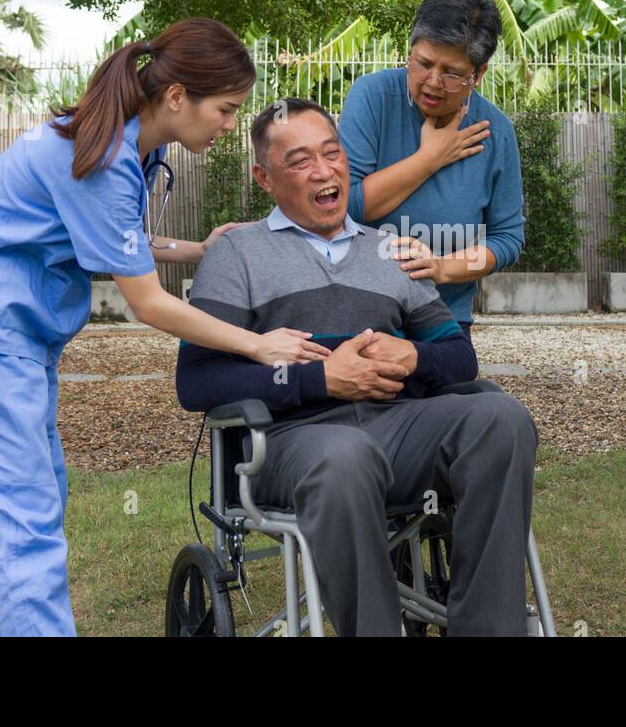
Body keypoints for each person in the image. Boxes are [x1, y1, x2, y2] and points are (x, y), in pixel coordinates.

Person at [0, 18, 331, 637]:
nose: (228, 126)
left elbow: (120, 239)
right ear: (175, 98)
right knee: (21, 519)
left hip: (17, 339)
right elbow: (148, 304)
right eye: (225, 109)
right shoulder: (106, 155)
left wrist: (196, 249)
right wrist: (257, 343)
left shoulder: (137, 145)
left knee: (37, 501)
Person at [177, 98, 539, 636]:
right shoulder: (236, 255)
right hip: (294, 438)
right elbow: (198, 380)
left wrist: (413, 356)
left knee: (502, 419)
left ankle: (486, 628)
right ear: (264, 177)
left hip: (397, 426)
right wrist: (319, 378)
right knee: (346, 456)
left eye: (332, 153)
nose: (325, 171)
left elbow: (460, 358)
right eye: (300, 161)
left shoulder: (393, 250)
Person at [339, 0, 525, 339]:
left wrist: (442, 267)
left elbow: (506, 239)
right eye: (423, 64)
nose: (433, 83)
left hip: (442, 317)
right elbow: (345, 206)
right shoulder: (373, 96)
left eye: (452, 73)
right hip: (357, 307)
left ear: (479, 74)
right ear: (410, 53)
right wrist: (429, 159)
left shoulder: (495, 132)